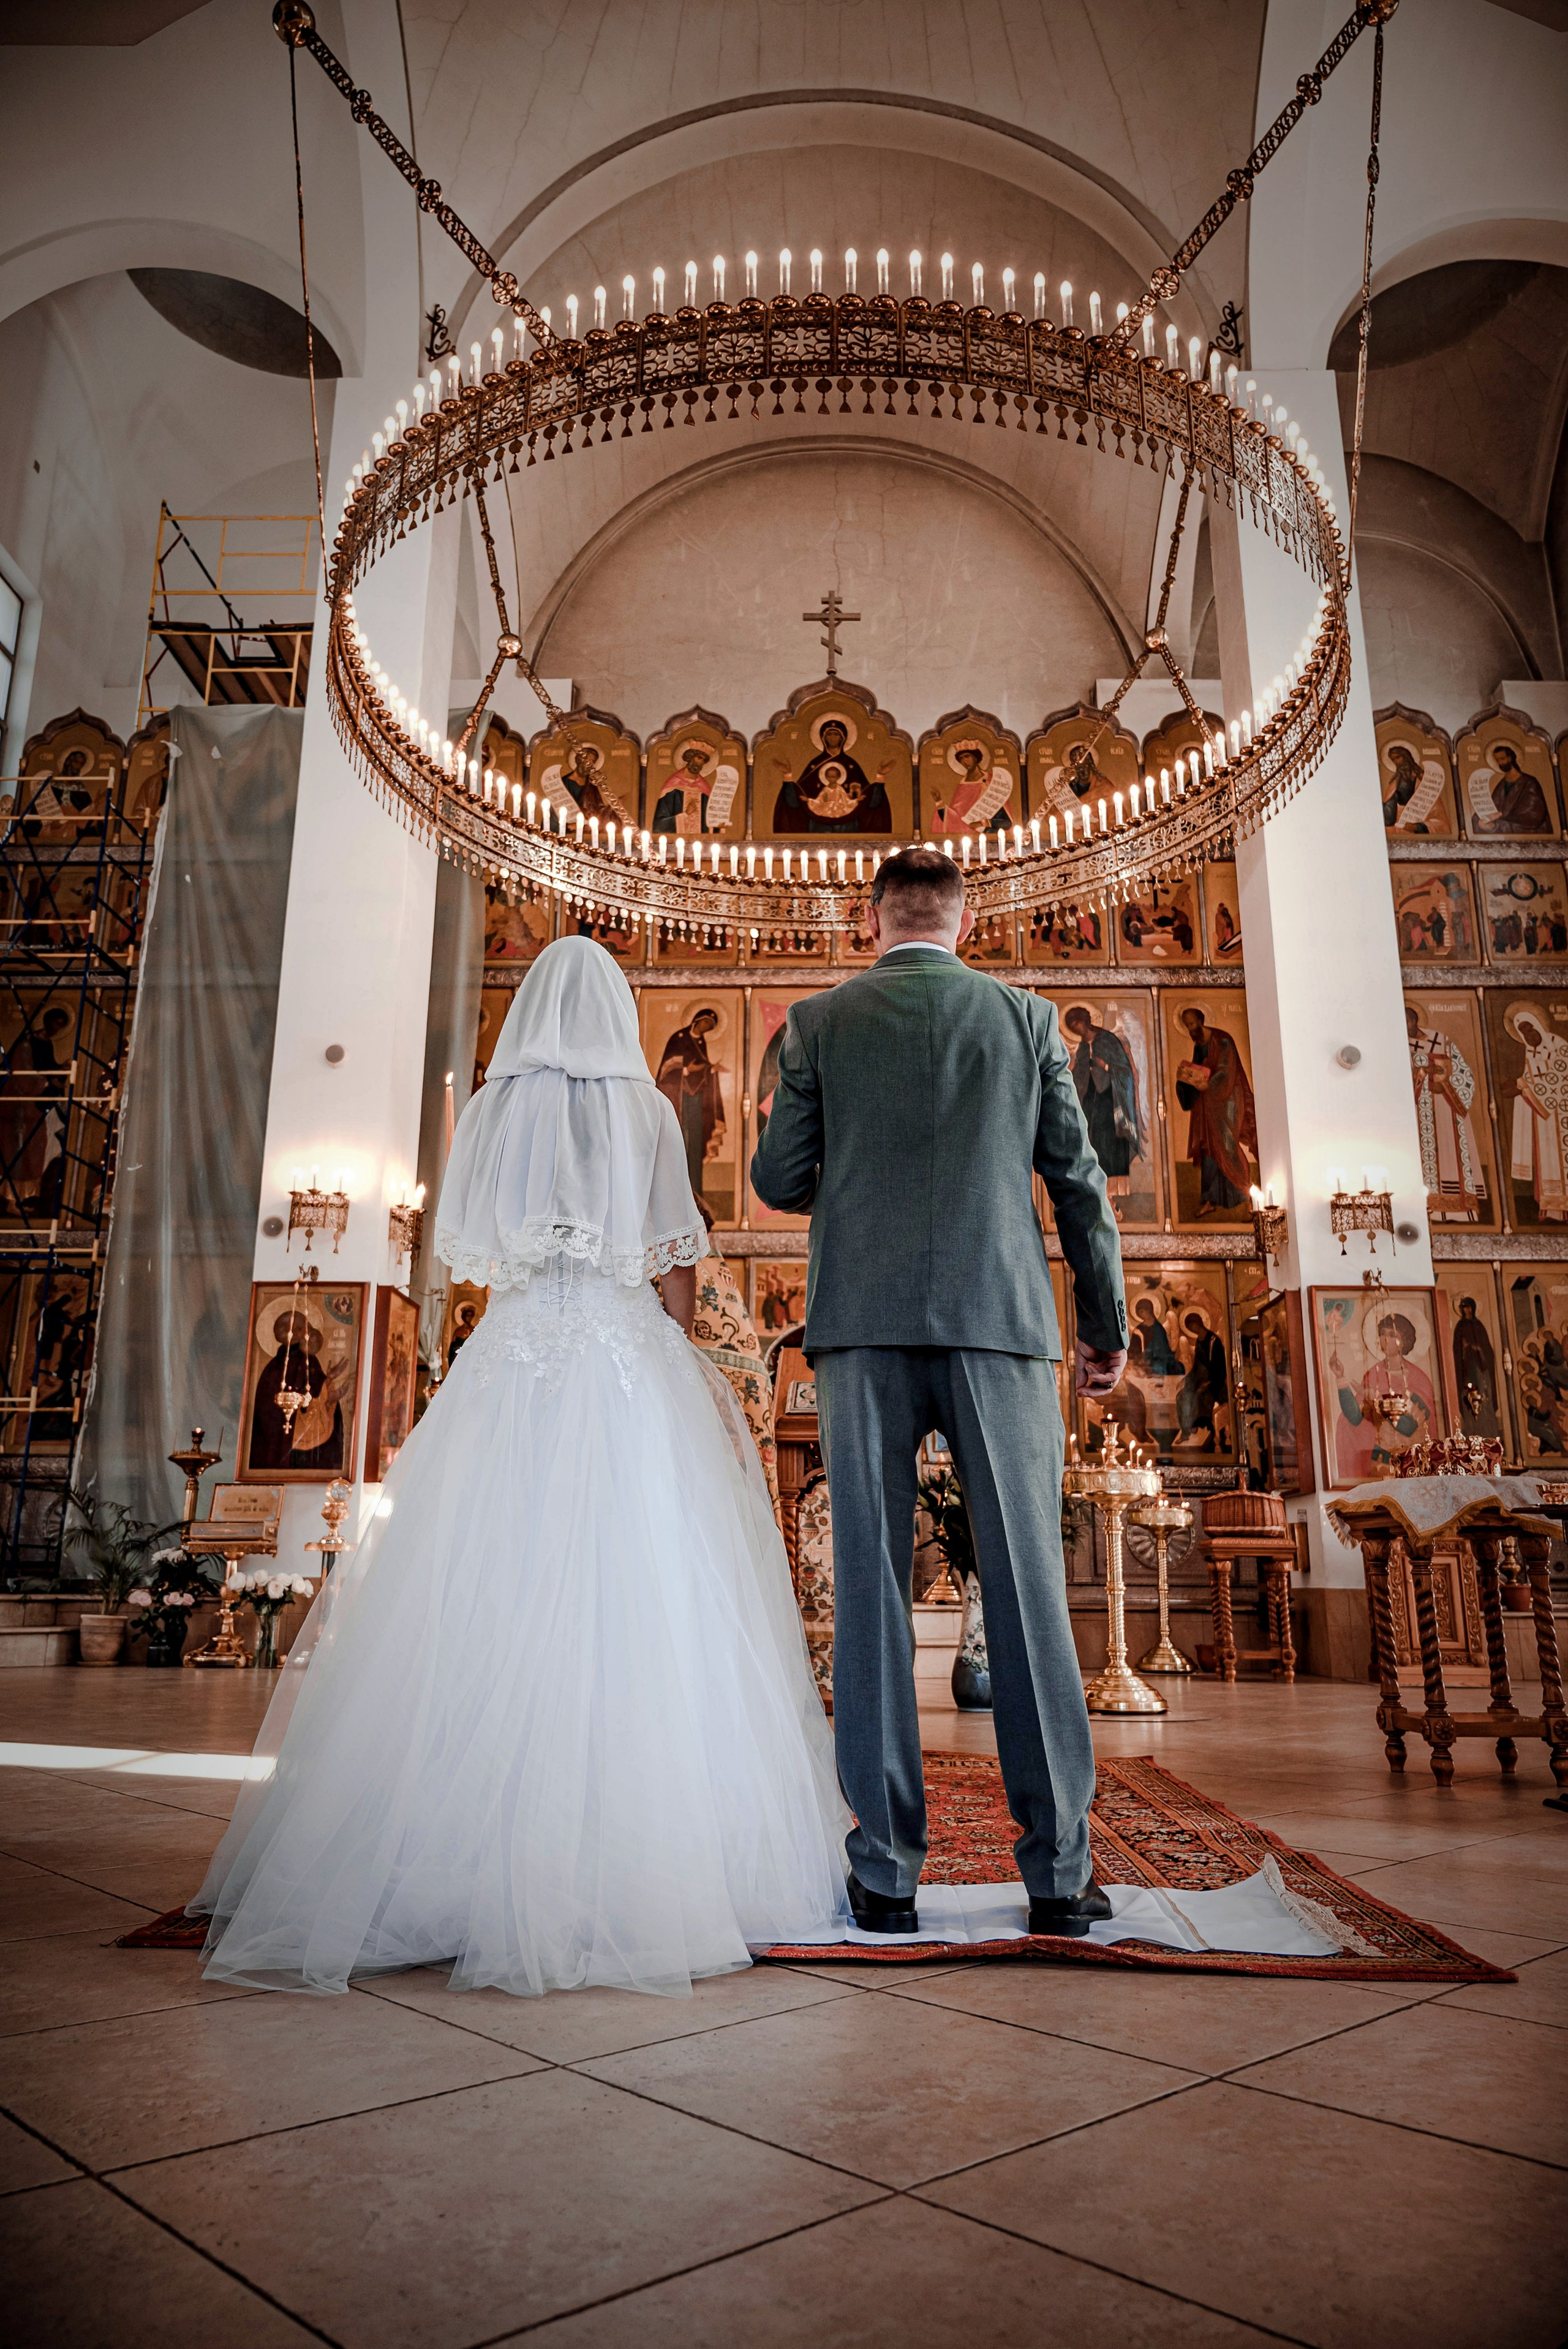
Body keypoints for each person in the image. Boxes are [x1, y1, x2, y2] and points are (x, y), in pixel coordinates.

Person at [192, 938, 848, 1996]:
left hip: (516, 1352)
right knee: (638, 1590)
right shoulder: (645, 1111)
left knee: (483, 1579)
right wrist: (671, 1348)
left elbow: (472, 1254)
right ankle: (651, 1850)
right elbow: (675, 1257)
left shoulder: (496, 1107)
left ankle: (441, 1839)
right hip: (624, 1357)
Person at [751, 847, 1127, 1939]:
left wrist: (860, 1177)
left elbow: (778, 1181)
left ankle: (886, 1874)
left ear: (872, 917)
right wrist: (1102, 1332)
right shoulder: (1024, 1018)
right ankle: (1058, 1876)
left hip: (860, 1327)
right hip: (999, 1322)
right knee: (1026, 1585)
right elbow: (1078, 1186)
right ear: (964, 920)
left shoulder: (818, 1022)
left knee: (869, 1586)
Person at [1174, 1004, 1257, 1212]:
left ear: (1201, 1020)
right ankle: (1209, 1200)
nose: (1190, 1028)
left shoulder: (1222, 1039)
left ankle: (1249, 1198)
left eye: (1192, 1023)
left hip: (1229, 1099)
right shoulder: (1198, 1044)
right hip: (1207, 1103)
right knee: (1208, 1148)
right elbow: (1200, 1068)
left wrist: (1209, 1085)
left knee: (1228, 1146)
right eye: (1187, 1025)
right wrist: (1186, 1075)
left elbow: (1227, 1071)